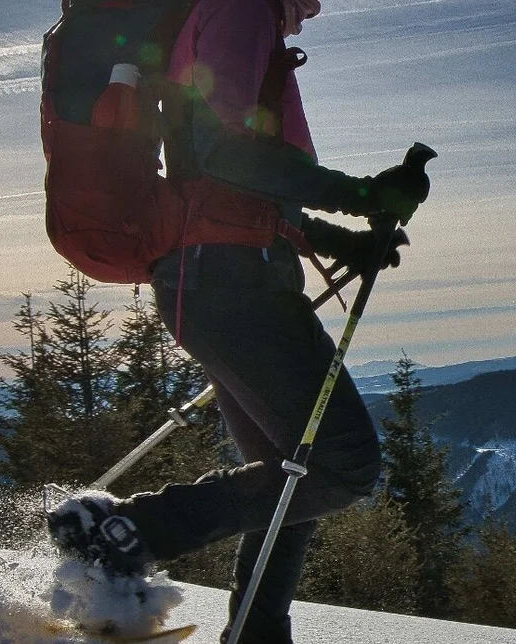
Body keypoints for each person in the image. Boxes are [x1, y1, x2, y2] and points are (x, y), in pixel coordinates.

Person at [45, 0, 429, 641]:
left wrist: (343, 240)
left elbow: (235, 186)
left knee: (290, 481)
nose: (313, 10)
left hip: (222, 275)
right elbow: (221, 152)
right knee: (343, 465)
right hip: (227, 281)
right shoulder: (242, 8)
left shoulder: (235, 18)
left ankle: (257, 634)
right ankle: (121, 533)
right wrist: (361, 194)